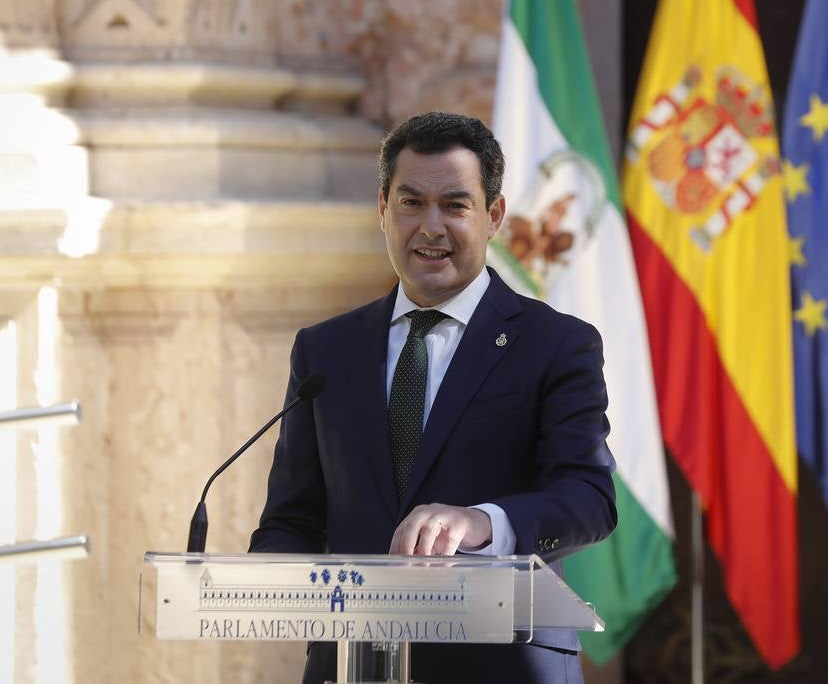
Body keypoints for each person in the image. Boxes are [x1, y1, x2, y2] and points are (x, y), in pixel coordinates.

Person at [250, 111, 618, 683]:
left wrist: (482, 521)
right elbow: (291, 520)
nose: (431, 227)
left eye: (455, 205)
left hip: (503, 667)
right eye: (411, 202)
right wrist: (261, 586)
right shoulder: (324, 350)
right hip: (352, 666)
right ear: (382, 209)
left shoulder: (556, 345)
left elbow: (589, 499)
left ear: (493, 215)